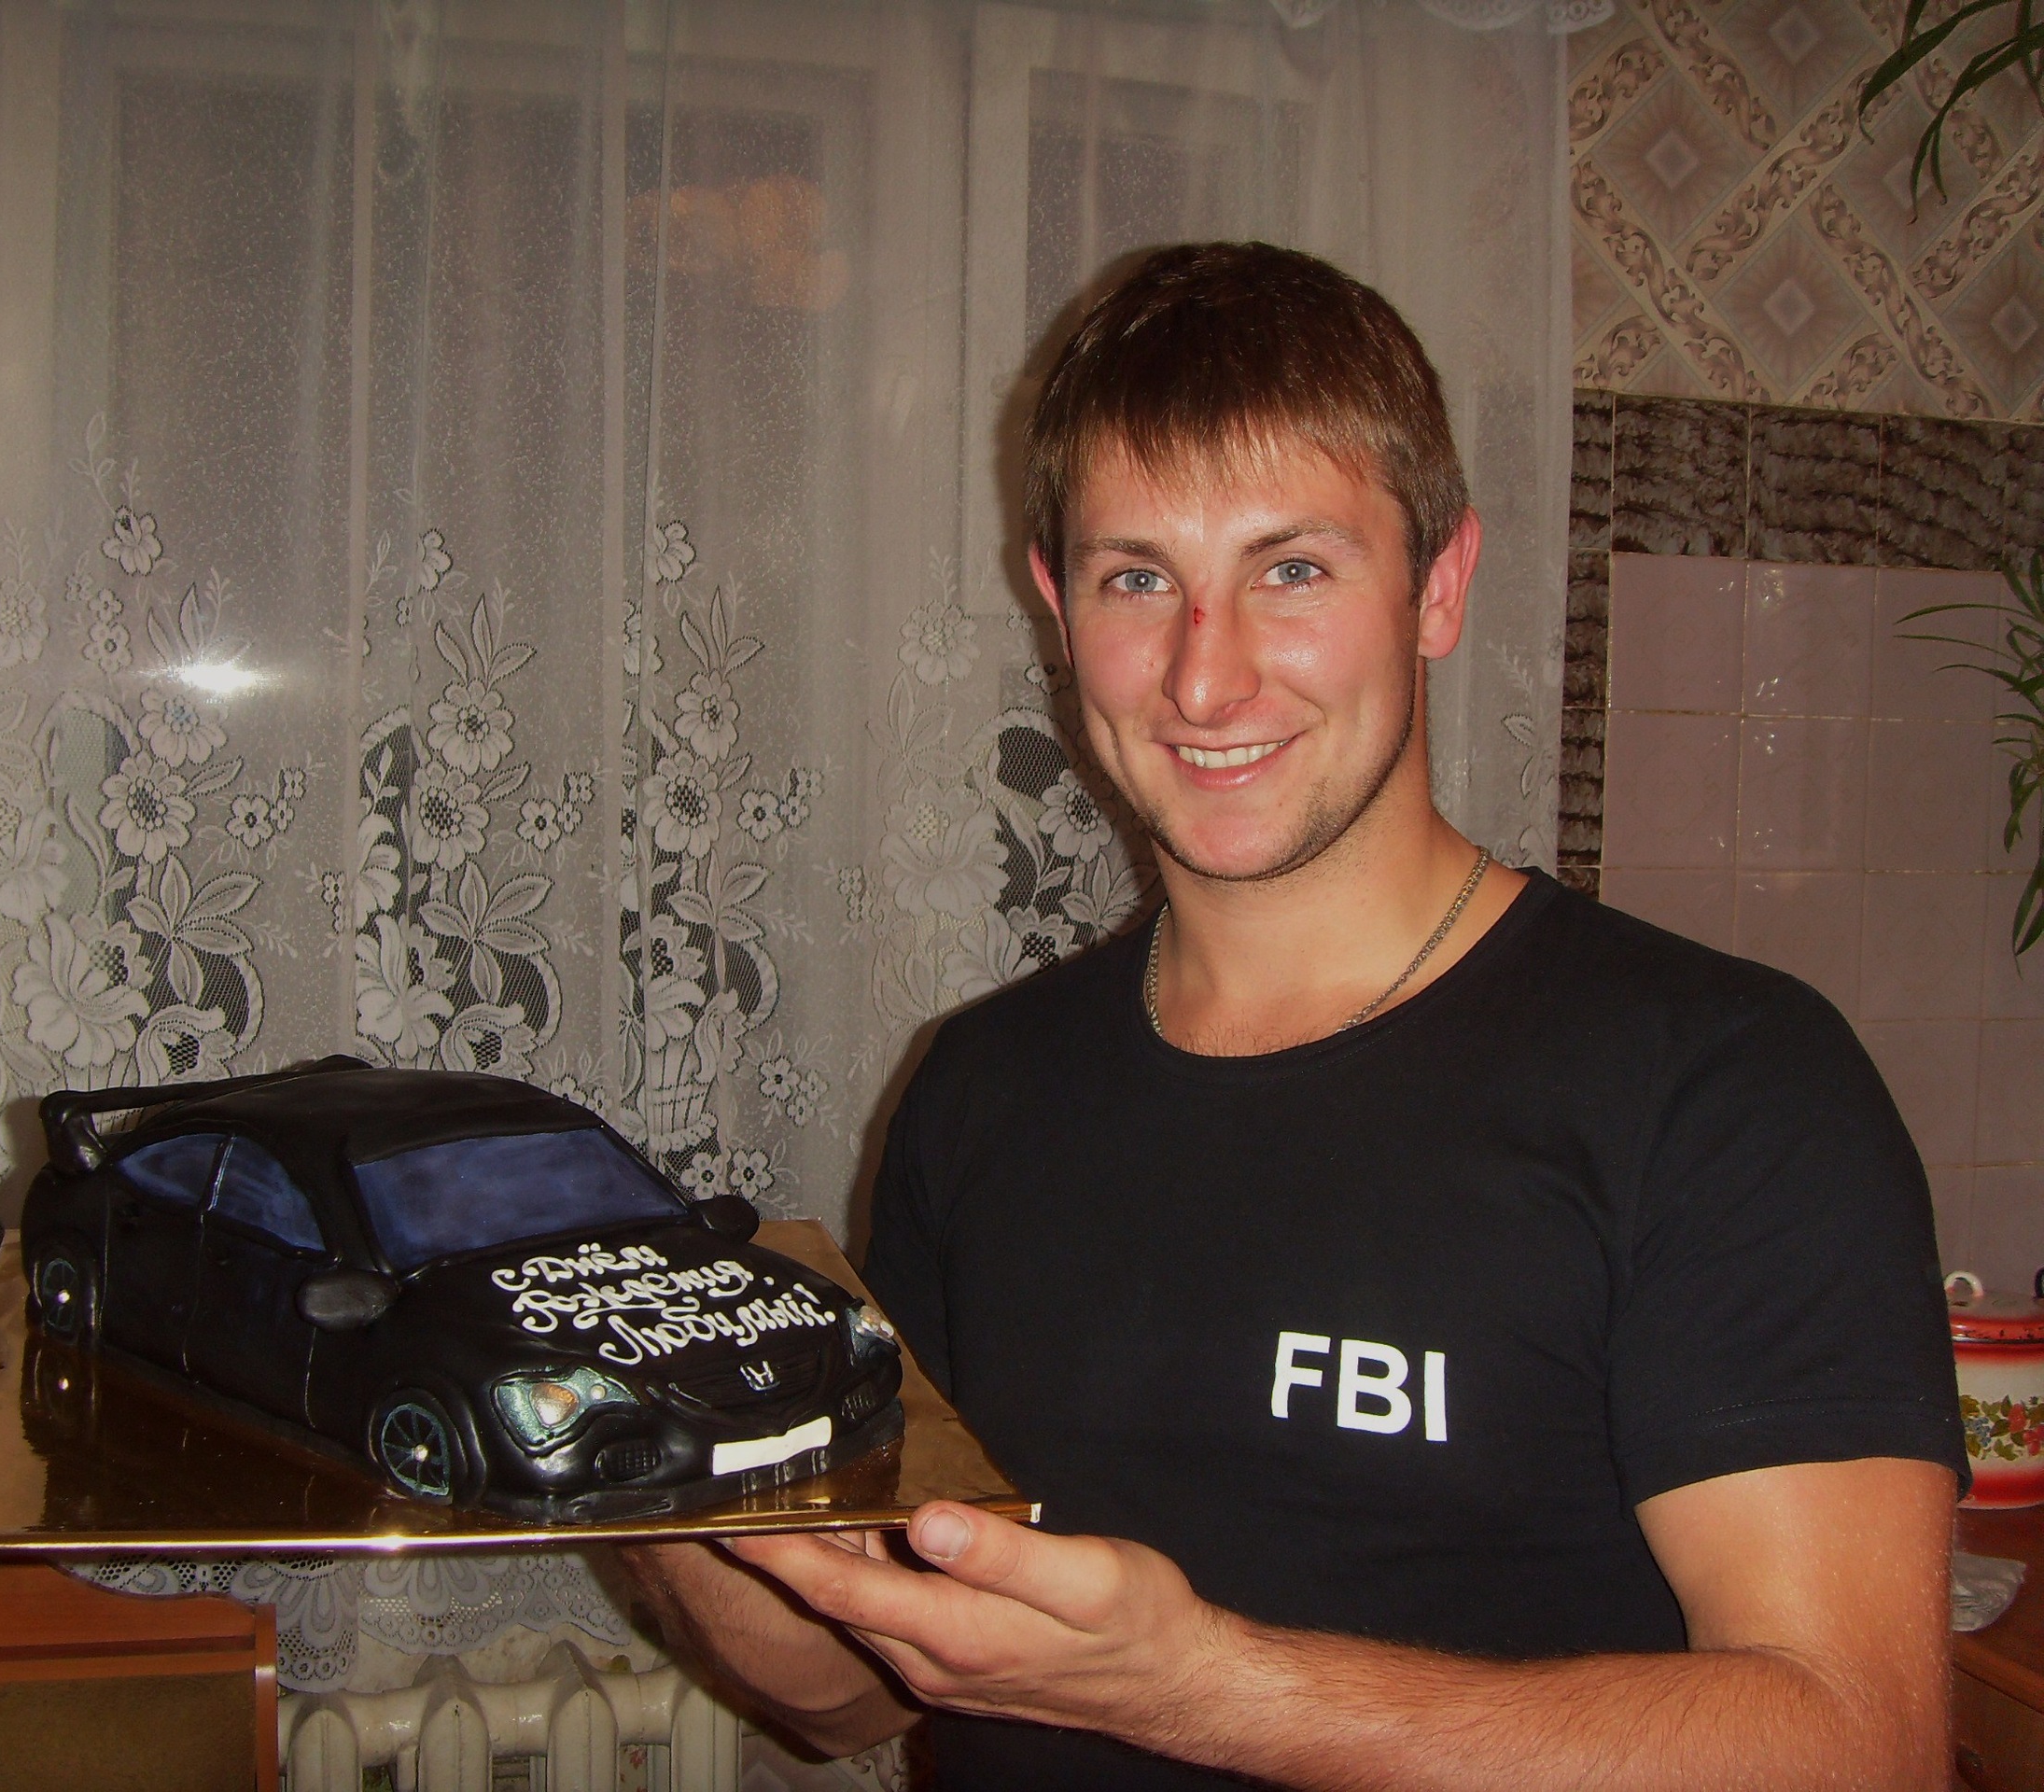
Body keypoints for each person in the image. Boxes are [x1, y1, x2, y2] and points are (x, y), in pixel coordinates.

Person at [623, 243, 1966, 1789]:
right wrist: (628, 1473)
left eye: (1293, 570)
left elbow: (1857, 1744)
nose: (1206, 678)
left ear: (1438, 585)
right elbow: (849, 1694)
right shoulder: (981, 1086)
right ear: (1056, 603)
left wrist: (1196, 1687)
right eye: (1139, 579)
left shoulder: (1723, 1086)